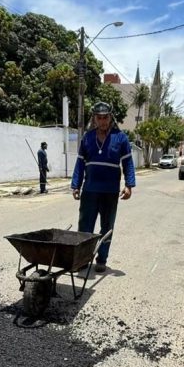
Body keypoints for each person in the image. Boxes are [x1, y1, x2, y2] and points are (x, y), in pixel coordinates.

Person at [71, 101, 136, 272]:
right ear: (94, 119)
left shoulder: (120, 138)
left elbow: (128, 163)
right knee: (85, 227)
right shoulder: (87, 138)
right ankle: (83, 259)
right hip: (90, 191)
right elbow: (80, 164)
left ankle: (102, 259)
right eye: (99, 118)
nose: (102, 121)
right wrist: (76, 185)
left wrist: (129, 185)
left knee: (107, 226)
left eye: (105, 117)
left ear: (110, 117)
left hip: (110, 192)